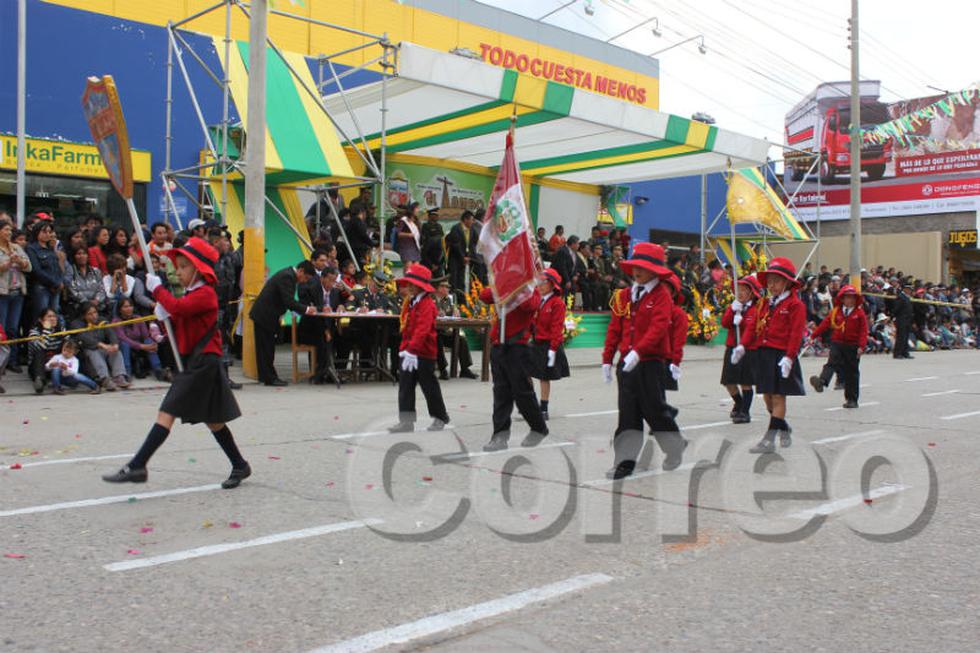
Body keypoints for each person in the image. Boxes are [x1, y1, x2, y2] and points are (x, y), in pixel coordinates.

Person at [103, 237, 250, 489]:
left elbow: (181, 309)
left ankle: (138, 465)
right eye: (178, 266)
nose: (178, 271)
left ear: (198, 269)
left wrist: (159, 291)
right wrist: (166, 314)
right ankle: (240, 464)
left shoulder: (205, 294)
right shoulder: (192, 294)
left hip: (204, 361)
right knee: (213, 419)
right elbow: (182, 317)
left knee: (167, 411)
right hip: (198, 361)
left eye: (183, 267)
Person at [602, 243, 687, 480]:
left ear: (655, 271)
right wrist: (607, 359)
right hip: (626, 364)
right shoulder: (624, 295)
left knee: (655, 411)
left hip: (650, 364)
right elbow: (615, 328)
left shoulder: (661, 295)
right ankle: (624, 462)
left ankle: (675, 446)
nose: (637, 271)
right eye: (635, 267)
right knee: (627, 414)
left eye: (643, 267)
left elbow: (658, 328)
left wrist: (638, 352)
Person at [747, 257, 807, 454]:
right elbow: (755, 326)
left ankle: (769, 440)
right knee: (767, 398)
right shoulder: (766, 303)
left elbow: (796, 333)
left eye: (776, 281)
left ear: (787, 282)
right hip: (765, 354)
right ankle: (783, 427)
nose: (771, 285)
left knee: (778, 397)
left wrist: (790, 357)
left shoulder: (795, 305)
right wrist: (743, 346)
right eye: (769, 281)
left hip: (782, 355)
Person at [479, 284, 549, 452]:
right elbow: (485, 296)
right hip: (499, 345)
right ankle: (500, 436)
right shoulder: (503, 283)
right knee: (501, 394)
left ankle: (539, 428)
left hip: (518, 347)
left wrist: (516, 288)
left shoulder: (531, 289)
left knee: (522, 393)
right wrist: (503, 285)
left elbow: (529, 305)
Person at [389, 264, 450, 432]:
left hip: (423, 353)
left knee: (429, 387)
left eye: (412, 284)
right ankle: (406, 422)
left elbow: (422, 330)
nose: (408, 286)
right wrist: (405, 349)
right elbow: (408, 328)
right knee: (405, 387)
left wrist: (411, 350)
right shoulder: (412, 302)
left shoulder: (427, 304)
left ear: (420, 286)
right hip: (409, 351)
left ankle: (440, 417)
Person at [248, 261, 318, 386]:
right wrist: (307, 309)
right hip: (265, 315)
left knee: (266, 347)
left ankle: (265, 376)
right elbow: (289, 301)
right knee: (266, 348)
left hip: (268, 315)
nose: (304, 281)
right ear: (301, 271)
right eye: (306, 278)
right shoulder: (287, 277)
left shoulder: (289, 275)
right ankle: (270, 378)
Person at [809, 284, 868, 408]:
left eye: (852, 297)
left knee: (851, 372)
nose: (849, 300)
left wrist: (861, 346)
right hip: (837, 343)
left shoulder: (859, 313)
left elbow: (863, 331)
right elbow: (825, 324)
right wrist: (813, 336)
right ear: (842, 299)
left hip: (852, 346)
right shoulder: (836, 312)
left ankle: (852, 399)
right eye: (847, 297)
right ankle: (822, 381)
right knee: (831, 363)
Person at [527, 269, 570, 420]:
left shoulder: (557, 303)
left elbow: (557, 328)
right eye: (538, 282)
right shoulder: (538, 300)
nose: (539, 285)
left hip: (548, 344)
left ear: (552, 284)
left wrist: (553, 349)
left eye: (543, 282)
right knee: (524, 372)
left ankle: (543, 408)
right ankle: (530, 403)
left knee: (544, 377)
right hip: (535, 342)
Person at [722, 275, 762, 424]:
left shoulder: (756, 309)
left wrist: (742, 323)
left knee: (745, 382)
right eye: (738, 289)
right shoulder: (735, 306)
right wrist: (732, 311)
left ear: (751, 293)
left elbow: (751, 330)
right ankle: (738, 402)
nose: (740, 293)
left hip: (748, 350)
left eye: (744, 290)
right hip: (732, 346)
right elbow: (725, 324)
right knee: (728, 381)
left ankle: (745, 412)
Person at [74, 301, 130, 391]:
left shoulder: (102, 320)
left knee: (116, 351)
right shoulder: (77, 324)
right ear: (84, 316)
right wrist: (101, 345)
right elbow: (84, 338)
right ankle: (104, 379)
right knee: (94, 353)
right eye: (90, 314)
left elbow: (111, 333)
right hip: (88, 350)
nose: (94, 316)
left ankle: (119, 376)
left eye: (95, 312)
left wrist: (115, 344)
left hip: (103, 348)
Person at [0, 220, 31, 373]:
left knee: (13, 328)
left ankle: (13, 360)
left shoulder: (16, 247)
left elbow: (29, 266)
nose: (9, 233)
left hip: (18, 292)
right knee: (2, 328)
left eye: (10, 230)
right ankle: (2, 362)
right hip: (3, 293)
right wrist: (6, 264)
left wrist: (19, 261)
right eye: (6, 230)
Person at [113, 297, 168, 382]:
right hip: (126, 347)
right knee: (125, 344)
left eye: (130, 306)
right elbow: (124, 339)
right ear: (120, 309)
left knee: (149, 341)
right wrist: (142, 346)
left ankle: (158, 369)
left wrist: (152, 344)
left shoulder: (137, 318)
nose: (129, 309)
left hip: (140, 346)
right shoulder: (116, 321)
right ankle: (127, 372)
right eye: (125, 307)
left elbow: (146, 335)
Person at [433, 278, 477, 380]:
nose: (448, 289)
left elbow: (452, 313)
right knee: (437, 339)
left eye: (448, 287)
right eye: (445, 286)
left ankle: (465, 369)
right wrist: (436, 314)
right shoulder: (430, 298)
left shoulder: (448, 300)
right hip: (432, 332)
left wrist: (455, 312)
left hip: (445, 331)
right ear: (438, 288)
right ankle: (443, 370)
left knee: (461, 340)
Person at [26, 221, 64, 320]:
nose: (47, 234)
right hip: (42, 287)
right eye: (44, 232)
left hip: (55, 287)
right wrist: (53, 283)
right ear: (37, 232)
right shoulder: (31, 248)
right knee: (42, 315)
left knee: (54, 315)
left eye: (49, 232)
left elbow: (57, 267)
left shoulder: (50, 248)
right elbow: (36, 270)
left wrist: (60, 281)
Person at [64, 246, 107, 320]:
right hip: (79, 309)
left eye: (84, 253)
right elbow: (72, 291)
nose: (82, 256)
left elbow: (101, 288)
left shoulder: (96, 271)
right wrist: (88, 303)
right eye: (79, 254)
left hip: (98, 307)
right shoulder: (70, 271)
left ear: (87, 256)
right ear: (74, 256)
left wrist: (97, 300)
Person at [662, 272, 688, 397]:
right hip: (647, 358)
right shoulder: (650, 309)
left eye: (665, 288)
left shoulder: (678, 314)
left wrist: (676, 361)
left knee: (657, 395)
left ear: (673, 293)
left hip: (665, 359)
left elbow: (679, 340)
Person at [27, 308, 64, 394]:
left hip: (56, 363)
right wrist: (47, 330)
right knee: (39, 352)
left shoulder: (61, 329)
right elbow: (42, 347)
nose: (53, 319)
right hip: (39, 366)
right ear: (41, 320)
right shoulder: (34, 332)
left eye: (54, 316)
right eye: (49, 316)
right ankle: (40, 381)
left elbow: (69, 345)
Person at [446, 211, 478, 294]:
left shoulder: (472, 230)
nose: (472, 222)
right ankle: (453, 298)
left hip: (466, 259)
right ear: (465, 220)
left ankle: (461, 299)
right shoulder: (456, 228)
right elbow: (455, 245)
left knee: (462, 281)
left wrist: (469, 256)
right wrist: (463, 257)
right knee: (453, 281)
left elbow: (474, 243)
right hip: (455, 259)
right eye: (471, 220)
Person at [890, 283, 914, 359]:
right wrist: (895, 317)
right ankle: (897, 353)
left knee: (906, 336)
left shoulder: (907, 297)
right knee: (901, 336)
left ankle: (905, 352)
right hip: (901, 319)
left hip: (907, 320)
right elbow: (896, 309)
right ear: (905, 289)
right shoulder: (900, 297)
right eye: (908, 289)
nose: (910, 291)